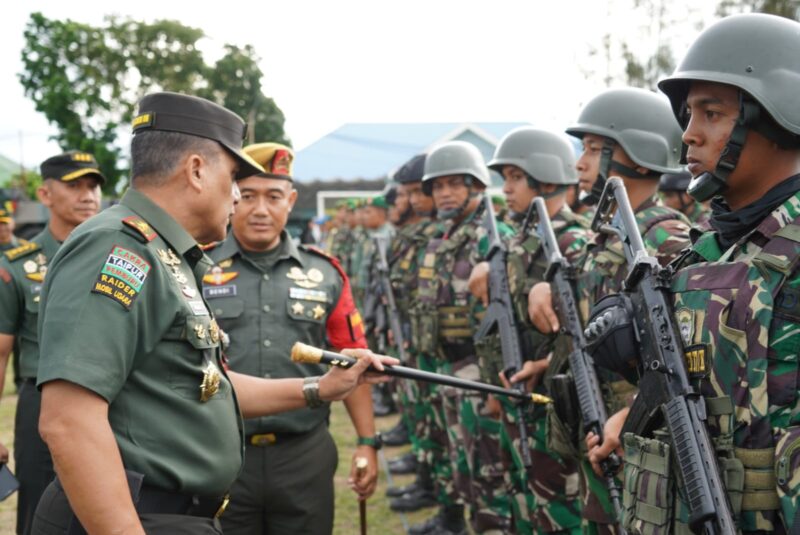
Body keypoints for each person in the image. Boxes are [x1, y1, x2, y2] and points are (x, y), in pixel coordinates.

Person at [30, 92, 394, 535]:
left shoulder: (164, 254)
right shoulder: (118, 249)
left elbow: (203, 383)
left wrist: (321, 387)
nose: (240, 197)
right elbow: (69, 421)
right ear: (197, 170)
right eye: (236, 177)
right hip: (135, 516)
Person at [586, 13, 800, 534]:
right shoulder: (705, 250)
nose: (689, 136)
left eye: (712, 113)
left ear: (777, 116)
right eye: (688, 114)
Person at [527, 87, 691, 534]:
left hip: (635, 433)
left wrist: (637, 410)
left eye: (595, 149)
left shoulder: (666, 239)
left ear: (640, 157)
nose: (579, 162)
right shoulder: (606, 237)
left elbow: (687, 352)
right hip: (594, 418)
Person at [203, 141, 379, 535]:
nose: (260, 209)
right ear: (232, 197)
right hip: (220, 453)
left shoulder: (327, 274)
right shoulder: (196, 267)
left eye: (273, 196)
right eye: (247, 195)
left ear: (291, 200)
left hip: (304, 456)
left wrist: (368, 441)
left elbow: (353, 363)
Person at [469, 126, 589, 534]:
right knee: (523, 498)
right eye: (505, 178)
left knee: (559, 509)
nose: (506, 189)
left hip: (557, 401)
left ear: (548, 177)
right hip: (517, 392)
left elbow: (589, 334)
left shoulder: (575, 243)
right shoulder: (520, 239)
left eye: (516, 177)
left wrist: (540, 362)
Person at [412, 140, 514, 535]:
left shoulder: (492, 234)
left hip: (479, 368)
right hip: (446, 364)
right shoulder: (445, 235)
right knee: (462, 463)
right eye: (438, 186)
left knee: (487, 466)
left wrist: (494, 380)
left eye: (455, 184)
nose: (445, 194)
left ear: (476, 186)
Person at [0, 150, 104, 535]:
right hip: (42, 407)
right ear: (45, 195)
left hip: (110, 404)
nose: (88, 195)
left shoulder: (119, 256)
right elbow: (1, 352)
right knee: (40, 514)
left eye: (92, 186)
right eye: (74, 185)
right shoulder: (17, 266)